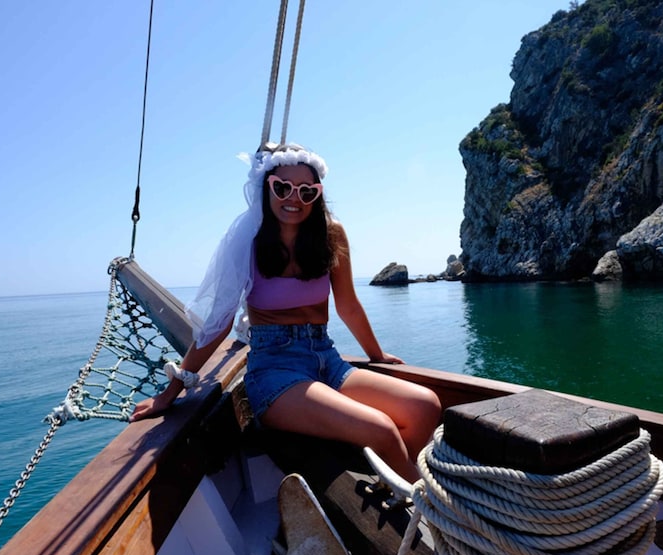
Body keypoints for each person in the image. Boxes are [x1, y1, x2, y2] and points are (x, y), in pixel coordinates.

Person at [130, 143, 441, 482]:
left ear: (317, 194)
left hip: (325, 358)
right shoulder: (248, 241)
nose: (294, 198)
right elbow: (219, 325)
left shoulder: (330, 233)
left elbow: (348, 304)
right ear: (267, 187)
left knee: (426, 406)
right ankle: (420, 503)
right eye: (283, 187)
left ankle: (395, 484)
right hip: (275, 372)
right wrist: (170, 392)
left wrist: (376, 354)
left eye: (306, 191)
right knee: (381, 429)